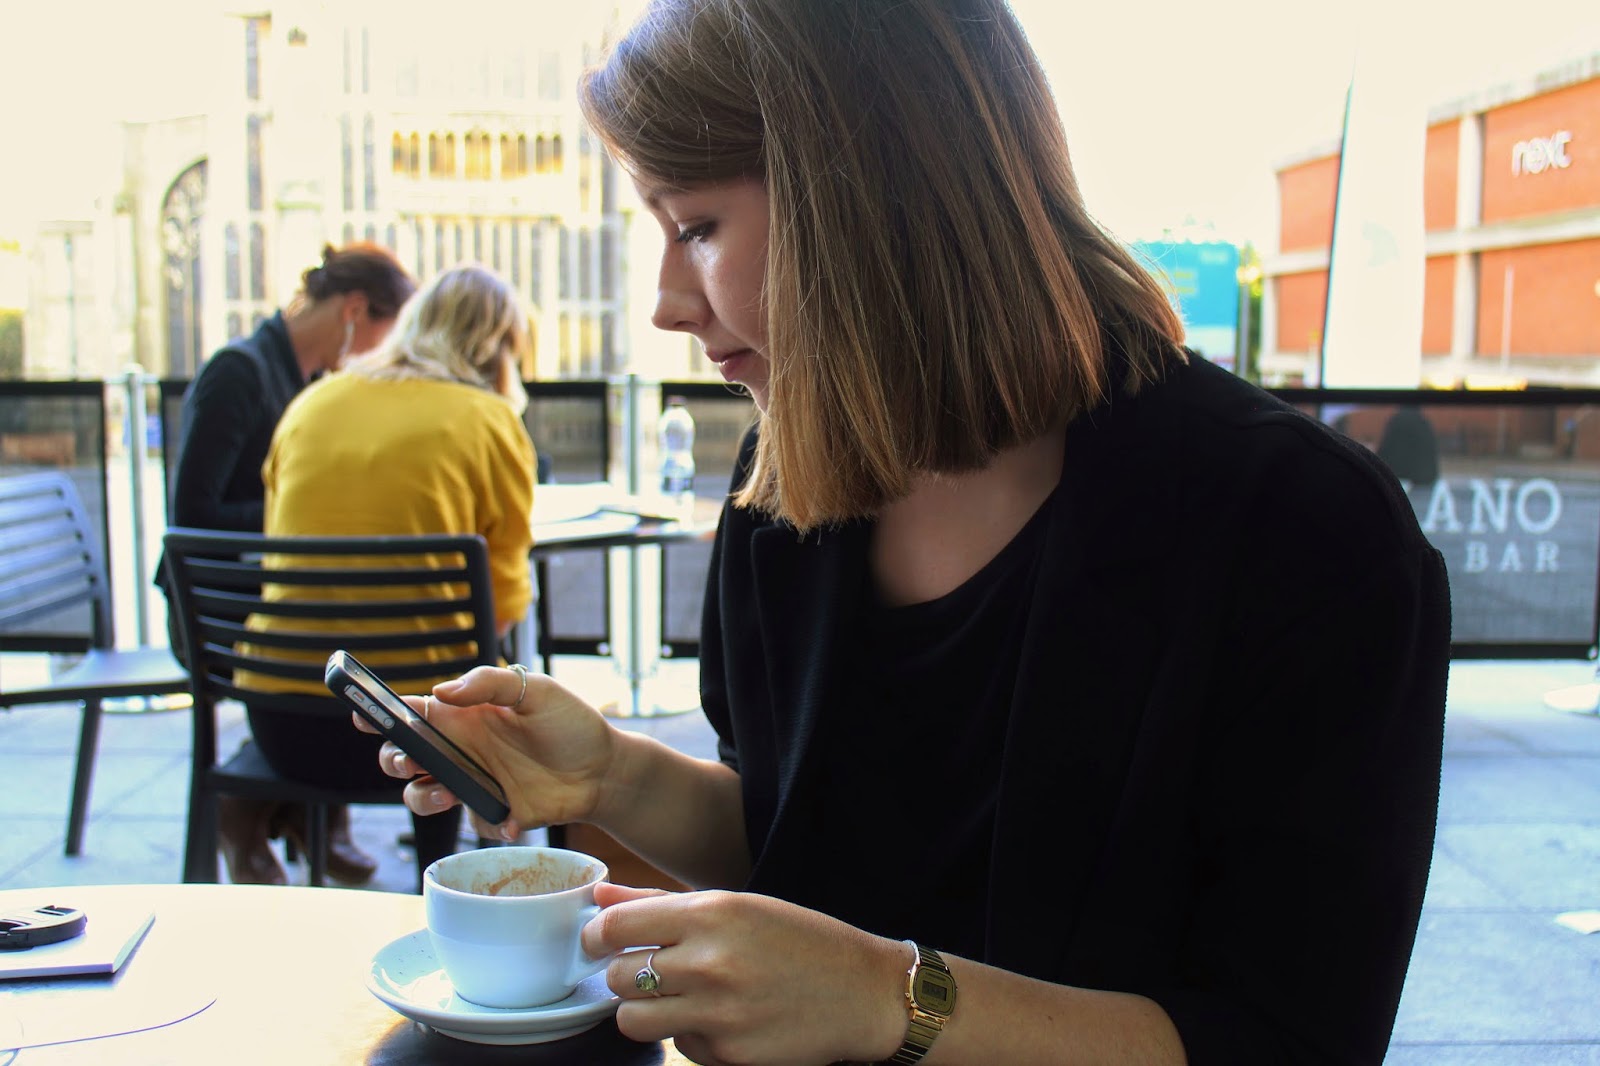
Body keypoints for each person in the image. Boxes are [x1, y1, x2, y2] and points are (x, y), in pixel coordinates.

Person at [363, 2, 1451, 1063]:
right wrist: (612, 774)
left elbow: (1286, 1035)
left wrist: (895, 1000)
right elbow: (802, 838)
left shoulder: (1303, 531)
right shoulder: (783, 485)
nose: (665, 302)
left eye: (694, 226)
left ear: (864, 194)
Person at [242, 263, 537, 892]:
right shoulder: (489, 420)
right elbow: (503, 609)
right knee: (482, 677)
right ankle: (470, 882)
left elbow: (280, 554)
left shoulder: (311, 403)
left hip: (283, 723)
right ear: (499, 348)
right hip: (424, 741)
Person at [162, 241, 415, 887]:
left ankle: (310, 811)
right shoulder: (239, 373)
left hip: (271, 597)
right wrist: (301, 513)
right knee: (358, 638)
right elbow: (191, 514)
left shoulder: (308, 381)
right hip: (217, 608)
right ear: (355, 310)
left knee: (369, 627)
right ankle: (255, 810)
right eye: (388, 333)